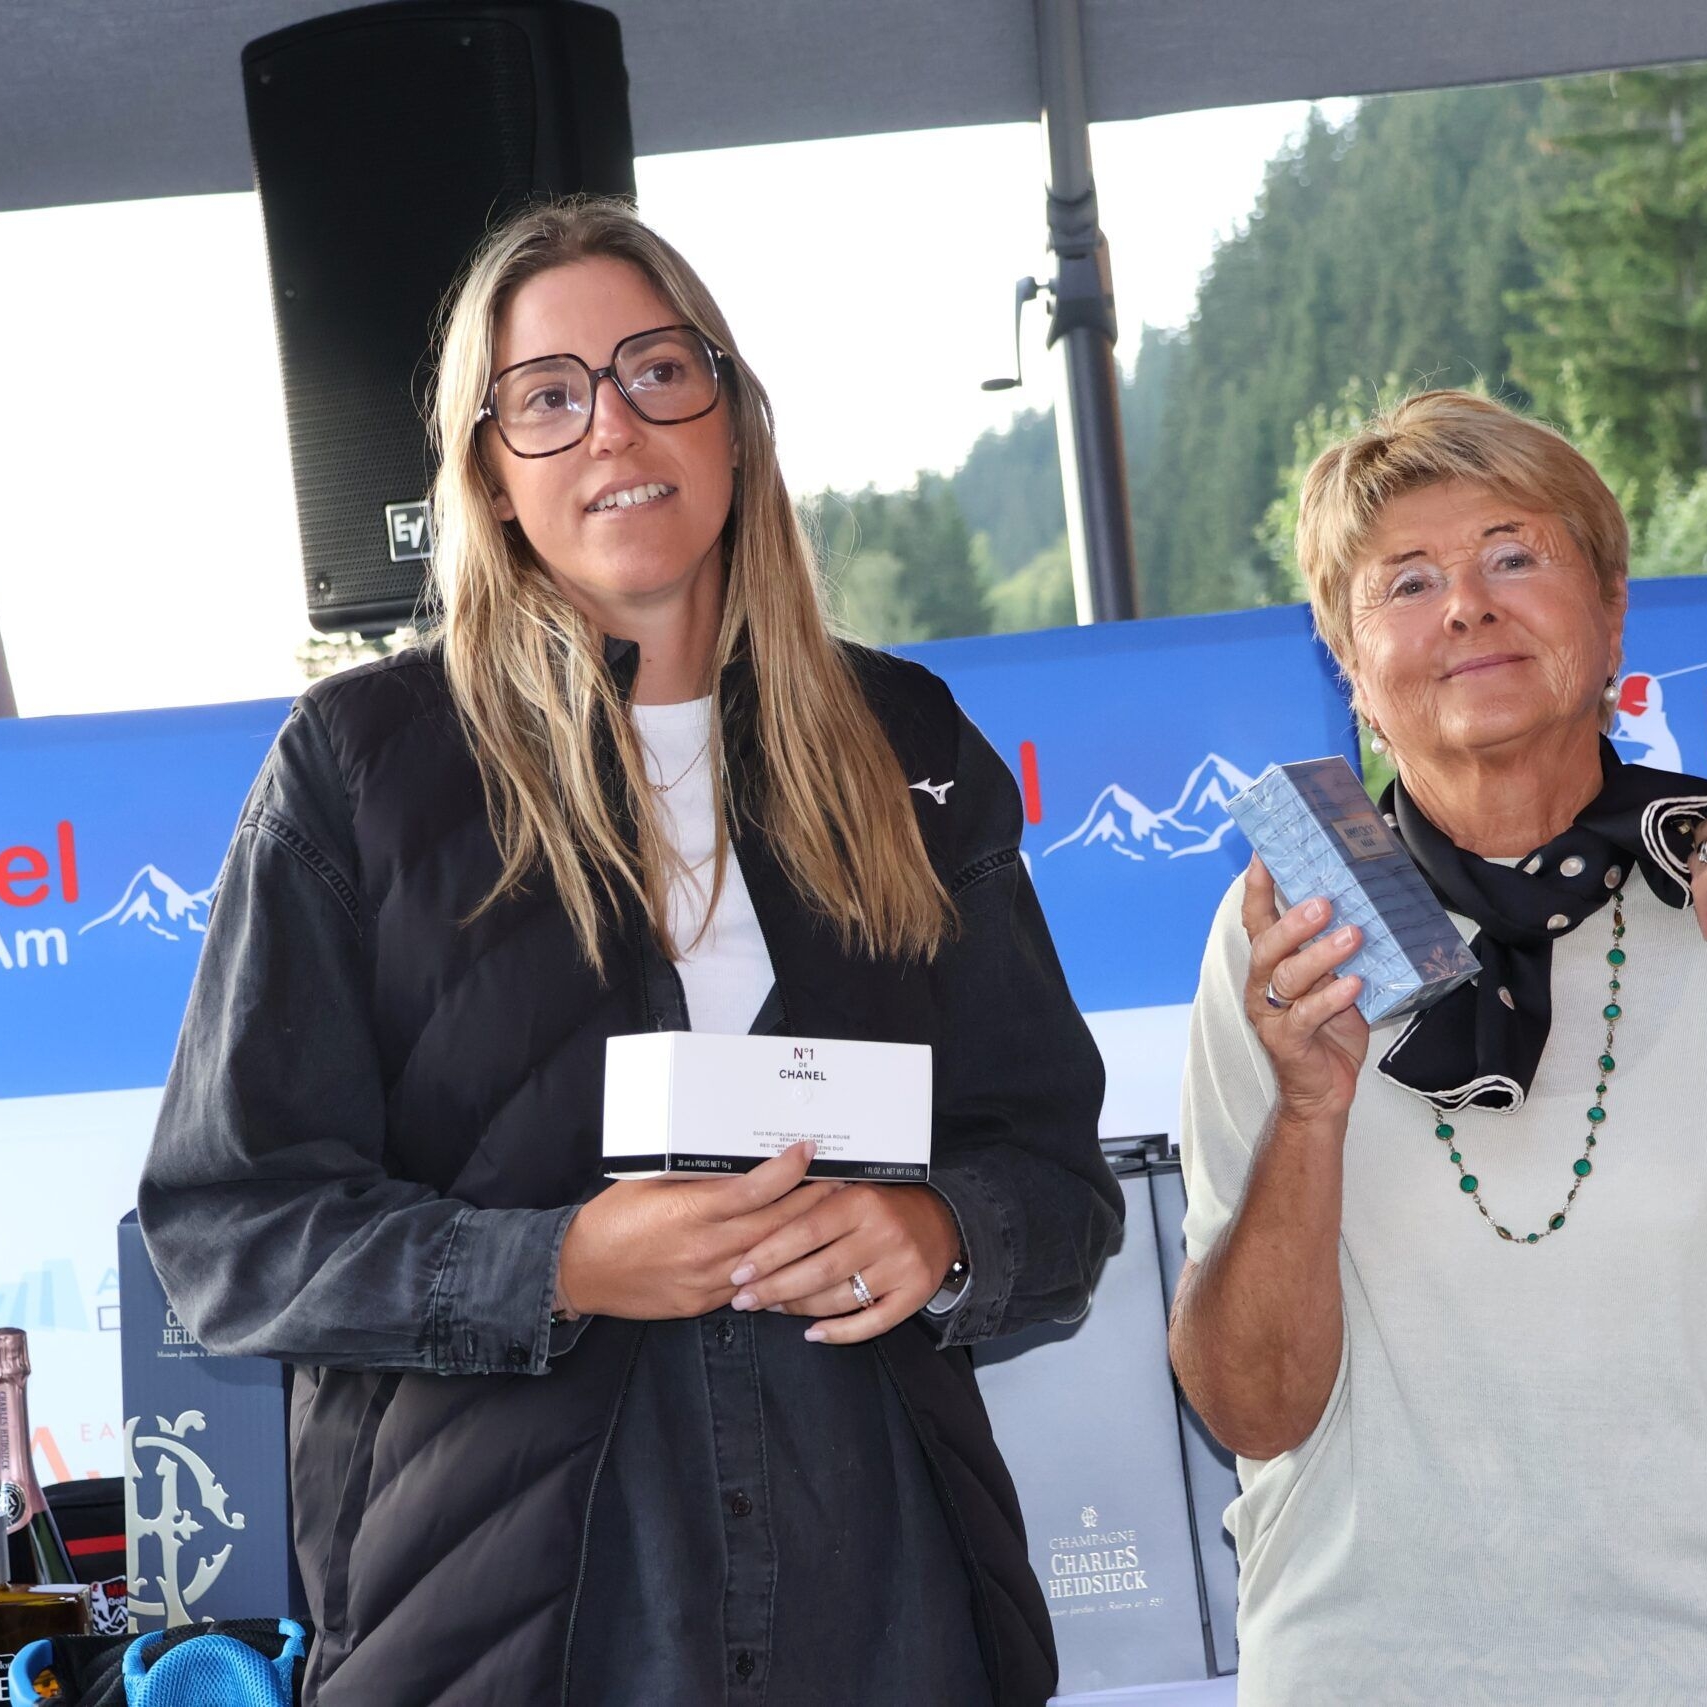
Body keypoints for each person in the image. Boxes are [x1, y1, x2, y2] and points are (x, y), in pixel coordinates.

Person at [138, 197, 1120, 1706]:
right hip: (499, 1633)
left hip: (888, 1610)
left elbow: (1056, 1177)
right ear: (490, 471)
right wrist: (562, 1265)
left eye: (660, 370)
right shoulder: (360, 765)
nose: (614, 425)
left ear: (734, 418)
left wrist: (943, 1234)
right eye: (548, 396)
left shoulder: (906, 741)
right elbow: (231, 1229)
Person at [1167, 390, 1707, 1703]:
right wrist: (1309, 1114)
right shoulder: (1289, 935)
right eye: (1408, 582)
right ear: (1349, 661)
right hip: (1368, 1668)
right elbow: (1252, 1407)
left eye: (1514, 555)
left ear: (1613, 613)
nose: (1466, 606)